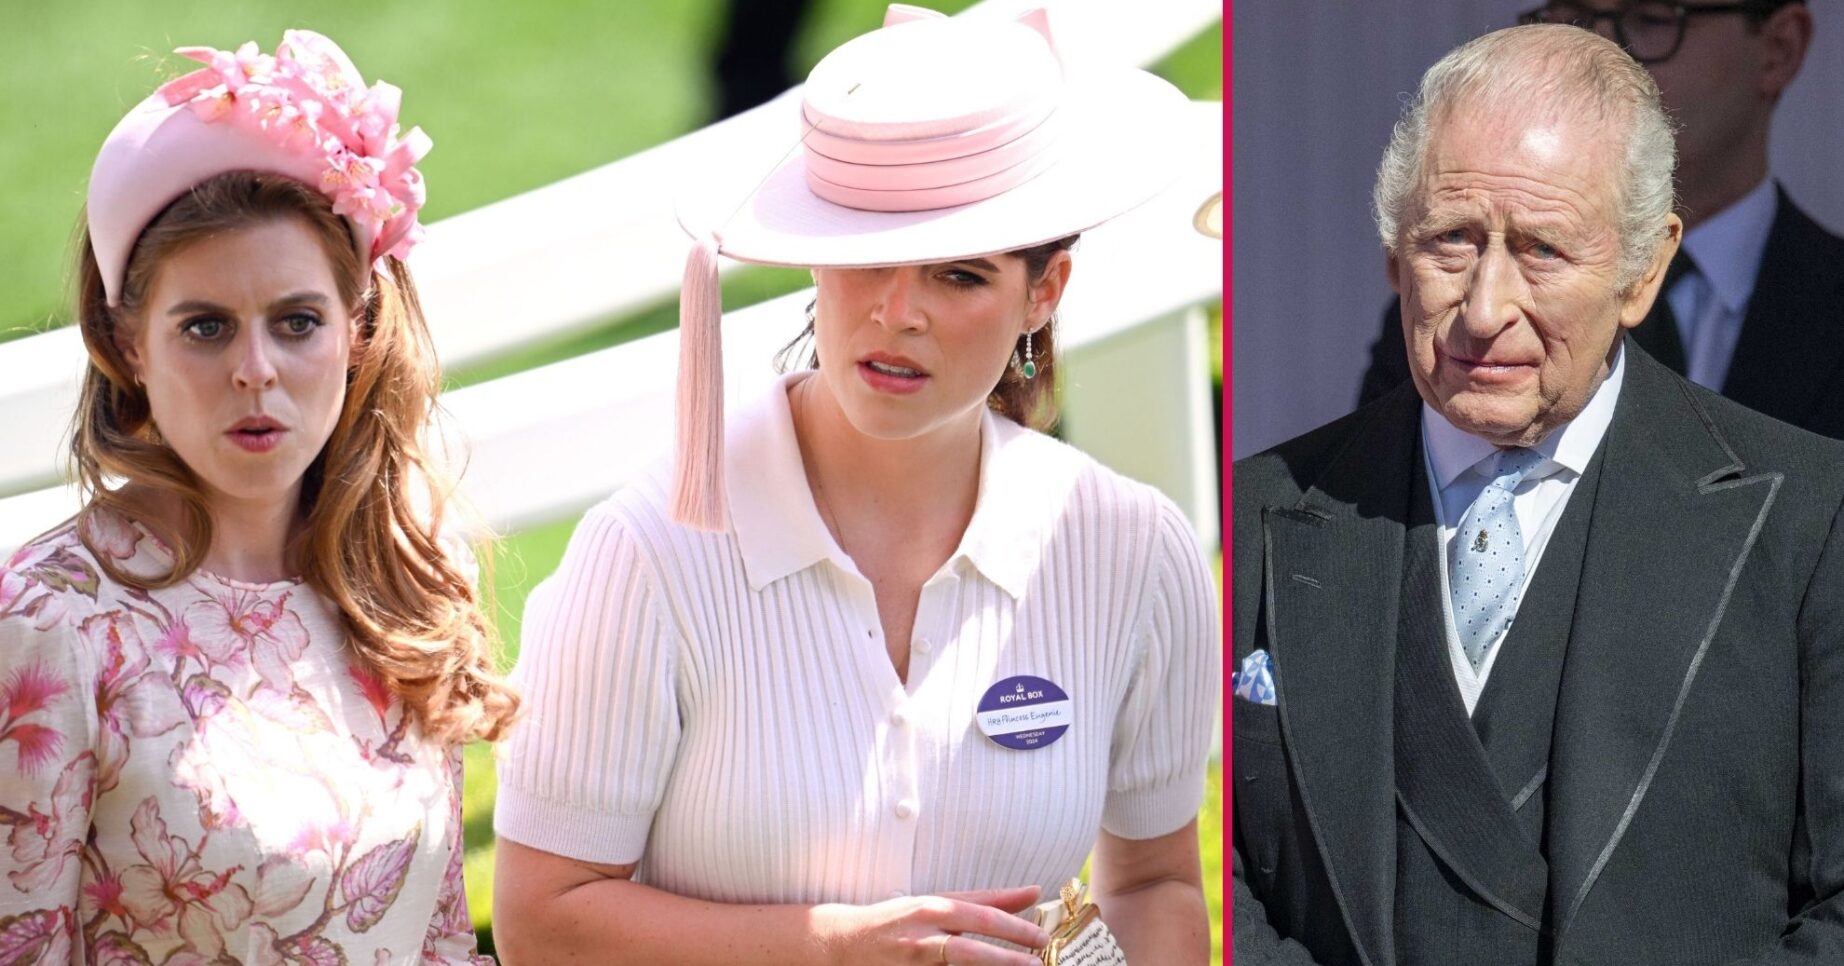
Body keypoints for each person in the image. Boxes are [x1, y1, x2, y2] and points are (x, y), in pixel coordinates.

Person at [492, 6, 1218, 965]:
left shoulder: (1133, 547)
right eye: (864, 259)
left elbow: (1157, 882)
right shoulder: (644, 556)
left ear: (1045, 293)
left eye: (959, 275)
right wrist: (829, 947)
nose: (897, 312)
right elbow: (540, 922)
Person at [1234, 24, 1844, 966]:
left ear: (1644, 270)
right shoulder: (1262, 515)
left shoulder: (1810, 520)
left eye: (1543, 251)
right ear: (1396, 248)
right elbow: (1208, 878)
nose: (1484, 309)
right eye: (1451, 242)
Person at [0, 31, 516, 963]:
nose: (255, 371)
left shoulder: (403, 579)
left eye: (297, 323)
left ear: (356, 331)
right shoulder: (53, 619)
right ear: (127, 347)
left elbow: (441, 935)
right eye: (204, 327)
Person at [1356, 0, 1844, 439]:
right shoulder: (1443, 319)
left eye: (1653, 19)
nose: (1599, 51)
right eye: (1574, 17)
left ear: (1780, 47)